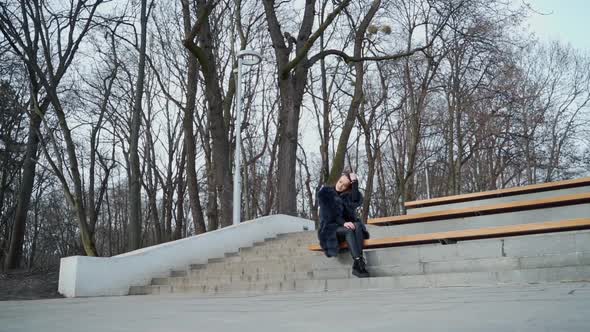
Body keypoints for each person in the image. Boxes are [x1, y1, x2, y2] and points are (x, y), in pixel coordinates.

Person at [317, 171, 370, 278]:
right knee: (349, 230)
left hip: (342, 226)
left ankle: (357, 265)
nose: (340, 185)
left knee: (358, 226)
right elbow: (330, 215)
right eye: (340, 182)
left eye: (344, 185)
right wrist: (344, 223)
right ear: (338, 179)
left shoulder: (345, 196)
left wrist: (355, 182)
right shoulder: (325, 193)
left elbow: (355, 199)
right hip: (329, 228)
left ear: (347, 187)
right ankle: (359, 261)